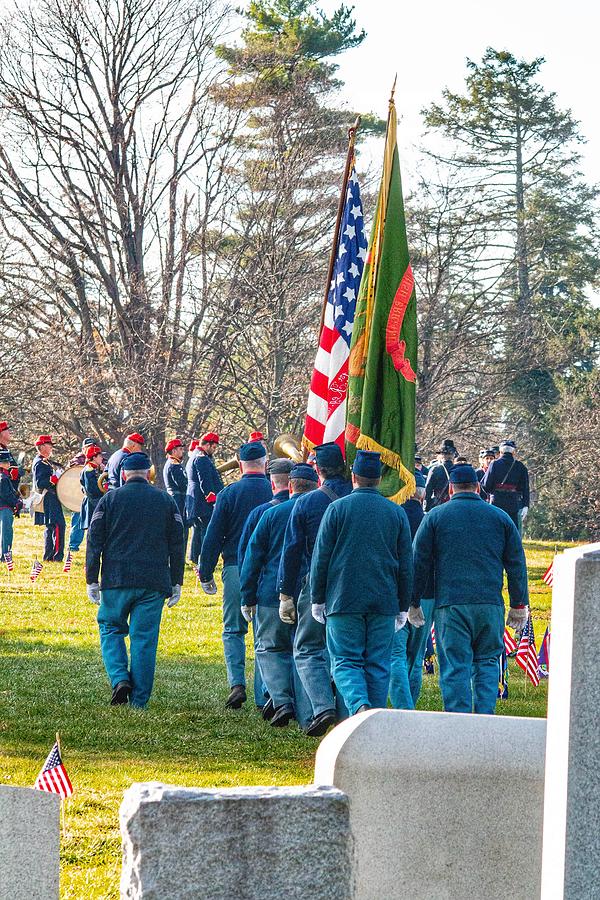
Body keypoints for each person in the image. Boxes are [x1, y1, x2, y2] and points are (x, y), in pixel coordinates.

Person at [412, 464, 529, 715]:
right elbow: (517, 564)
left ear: (451, 489)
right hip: (489, 605)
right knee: (487, 663)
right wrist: (519, 604)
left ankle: (459, 724)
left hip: (451, 605)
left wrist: (413, 602)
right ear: (478, 488)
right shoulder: (501, 518)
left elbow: (419, 562)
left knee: (455, 667)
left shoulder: (435, 517)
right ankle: (484, 720)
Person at [310, 450, 414, 716]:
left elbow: (321, 558)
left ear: (353, 477)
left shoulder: (336, 509)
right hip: (384, 600)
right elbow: (405, 564)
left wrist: (317, 598)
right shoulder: (396, 512)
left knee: (345, 661)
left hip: (343, 599)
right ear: (379, 479)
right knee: (378, 665)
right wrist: (403, 605)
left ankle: (359, 706)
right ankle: (373, 720)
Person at [85, 451, 185, 707]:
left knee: (110, 628)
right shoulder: (165, 500)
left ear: (123, 474)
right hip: (153, 581)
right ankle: (139, 701)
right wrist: (177, 581)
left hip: (116, 579)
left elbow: (94, 541)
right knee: (144, 639)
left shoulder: (109, 499)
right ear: (149, 474)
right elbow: (177, 543)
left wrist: (91, 578)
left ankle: (120, 679)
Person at [278, 441, 352, 735]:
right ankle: (347, 718)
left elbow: (292, 550)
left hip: (314, 582)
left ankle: (322, 707)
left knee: (307, 648)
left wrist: (285, 593)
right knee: (346, 653)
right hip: (352, 584)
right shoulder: (359, 497)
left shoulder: (306, 503)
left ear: (318, 470)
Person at [240, 463, 318, 728]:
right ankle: (308, 714)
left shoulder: (271, 514)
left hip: (271, 595)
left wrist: (247, 596)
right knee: (305, 651)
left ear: (289, 485)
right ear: (315, 485)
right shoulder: (322, 513)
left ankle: (282, 701)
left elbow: (252, 559)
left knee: (271, 648)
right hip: (310, 595)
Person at [199, 441, 273, 709]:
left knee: (233, 629)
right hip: (269, 569)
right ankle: (265, 691)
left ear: (240, 465)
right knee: (264, 633)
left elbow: (213, 535)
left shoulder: (229, 492)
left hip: (235, 568)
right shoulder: (273, 490)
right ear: (265, 463)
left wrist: (205, 571)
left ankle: (237, 684)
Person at [237, 457, 294, 714]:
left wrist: (247, 595)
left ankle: (270, 698)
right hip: (303, 591)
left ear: (273, 481)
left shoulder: (262, 513)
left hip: (268, 590)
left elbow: (247, 557)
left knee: (268, 647)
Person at [389, 471, 435, 710]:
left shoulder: (391, 515)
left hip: (396, 593)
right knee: (415, 657)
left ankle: (402, 708)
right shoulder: (431, 518)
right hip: (426, 595)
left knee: (395, 655)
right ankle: (409, 708)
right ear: (423, 493)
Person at [185, 432, 224, 566]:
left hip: (196, 501)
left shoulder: (195, 455)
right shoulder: (201, 458)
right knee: (205, 532)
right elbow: (205, 481)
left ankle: (197, 559)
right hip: (202, 502)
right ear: (207, 445)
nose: (214, 450)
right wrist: (212, 498)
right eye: (213, 447)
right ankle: (204, 560)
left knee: (200, 530)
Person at [481, 440, 530, 531]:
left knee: (496, 530)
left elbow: (485, 485)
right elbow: (525, 488)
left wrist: (493, 492)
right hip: (513, 503)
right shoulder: (520, 466)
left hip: (496, 502)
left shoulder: (494, 464)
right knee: (511, 531)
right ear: (513, 452)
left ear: (501, 452)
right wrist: (525, 505)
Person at [32, 435, 66, 562]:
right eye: (49, 444)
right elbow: (40, 483)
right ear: (41, 447)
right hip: (49, 496)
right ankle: (56, 556)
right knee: (58, 525)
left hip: (51, 496)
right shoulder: (41, 463)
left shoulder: (44, 461)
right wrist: (54, 479)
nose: (51, 447)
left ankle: (49, 556)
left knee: (52, 526)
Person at [67, 437, 98, 552]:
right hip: (78, 495)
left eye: (92, 446)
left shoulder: (98, 459)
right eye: (88, 446)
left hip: (93, 496)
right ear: (83, 448)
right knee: (78, 521)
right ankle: (73, 546)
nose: (90, 448)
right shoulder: (76, 460)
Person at [163, 438, 188, 547]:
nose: (182, 452)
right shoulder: (174, 464)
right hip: (178, 499)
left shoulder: (171, 463)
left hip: (174, 498)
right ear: (174, 451)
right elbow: (182, 484)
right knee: (181, 528)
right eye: (180, 449)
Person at [0, 450, 22, 561]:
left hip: (4, 507)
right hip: (4, 508)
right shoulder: (2, 477)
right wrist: (17, 502)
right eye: (6, 462)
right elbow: (6, 494)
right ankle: (5, 557)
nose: (9, 464)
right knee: (6, 534)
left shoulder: (5, 476)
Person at [424, 440, 456, 511]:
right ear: (453, 455)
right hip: (455, 505)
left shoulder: (434, 470)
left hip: (438, 506)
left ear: (441, 455)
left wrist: (427, 507)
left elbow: (428, 490)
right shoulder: (459, 470)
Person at [80, 444, 105, 531]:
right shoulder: (89, 470)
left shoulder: (95, 469)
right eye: (100, 456)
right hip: (93, 503)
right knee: (94, 530)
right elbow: (92, 490)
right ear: (94, 457)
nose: (102, 458)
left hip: (94, 502)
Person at [0, 420, 24, 490]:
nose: (10, 432)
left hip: (11, 491)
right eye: (7, 430)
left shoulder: (5, 449)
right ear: (2, 433)